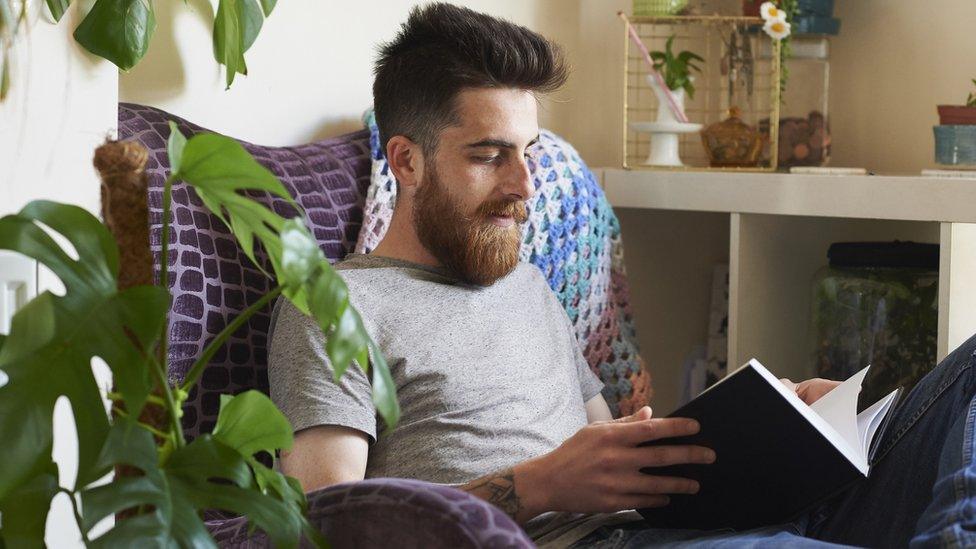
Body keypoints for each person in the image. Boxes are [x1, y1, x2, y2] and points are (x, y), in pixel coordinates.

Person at [267, 4, 976, 547]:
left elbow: (620, 448)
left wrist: (782, 423)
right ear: (407, 160)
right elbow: (321, 526)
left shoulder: (528, 284)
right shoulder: (339, 304)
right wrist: (539, 484)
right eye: (489, 155)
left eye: (531, 152)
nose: (524, 185)